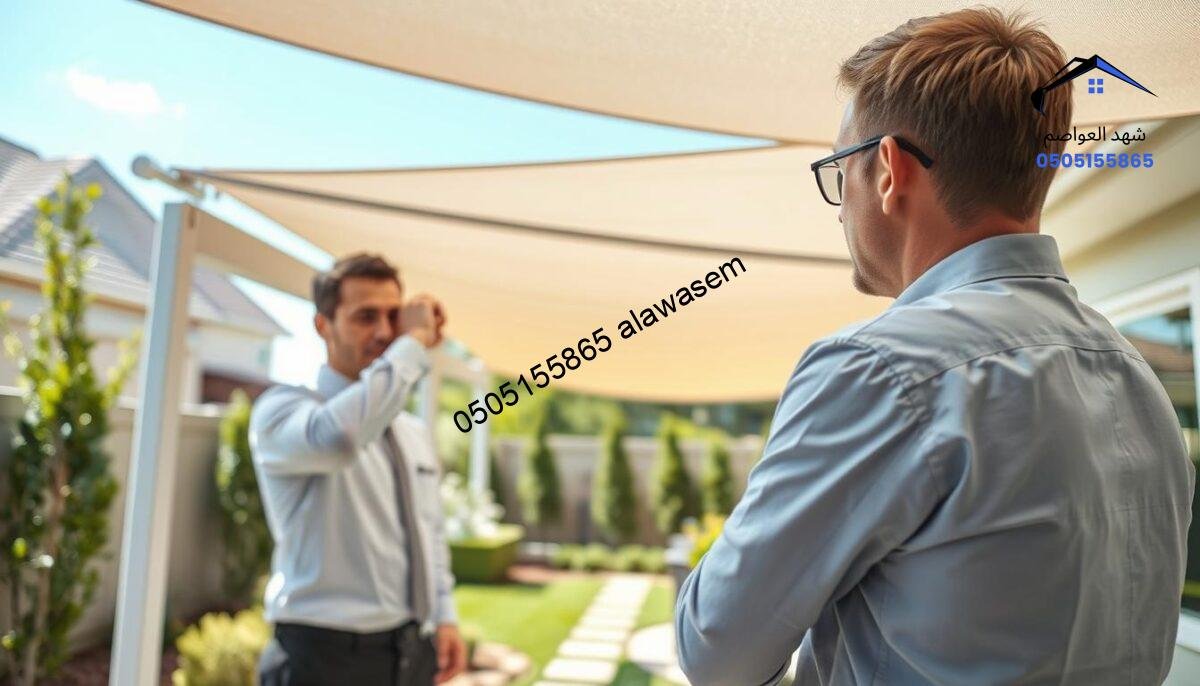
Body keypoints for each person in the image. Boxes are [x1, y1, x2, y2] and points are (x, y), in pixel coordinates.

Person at [674, 7, 1194, 685]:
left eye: (841, 172)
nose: (839, 208)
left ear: (889, 169)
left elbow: (717, 651)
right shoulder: (1139, 383)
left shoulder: (883, 372)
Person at [250, 253, 466, 685]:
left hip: (409, 651)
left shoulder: (412, 431)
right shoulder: (284, 412)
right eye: (366, 317)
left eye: (394, 317)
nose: (386, 333)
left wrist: (444, 615)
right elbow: (341, 438)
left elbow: (429, 530)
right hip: (322, 658)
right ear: (322, 325)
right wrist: (414, 342)